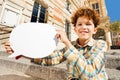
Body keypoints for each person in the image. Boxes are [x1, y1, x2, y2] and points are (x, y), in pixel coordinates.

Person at [5, 7, 108, 80]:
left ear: (95, 30)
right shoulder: (72, 46)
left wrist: (67, 43)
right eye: (80, 24)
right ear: (75, 29)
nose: (84, 27)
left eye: (88, 24)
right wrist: (21, 51)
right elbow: (49, 59)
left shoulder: (100, 44)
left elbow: (89, 72)